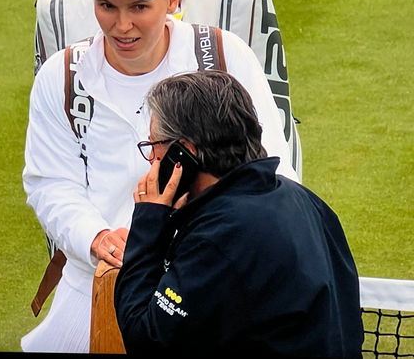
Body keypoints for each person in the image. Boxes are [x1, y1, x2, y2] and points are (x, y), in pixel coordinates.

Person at [22, 0, 299, 353]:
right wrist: (95, 237)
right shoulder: (59, 77)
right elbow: (50, 183)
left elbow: (274, 168)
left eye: (139, 7)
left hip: (208, 273)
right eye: (106, 6)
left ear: (173, 1)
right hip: (99, 283)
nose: (122, 24)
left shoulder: (226, 57)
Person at [114, 70, 364, 357]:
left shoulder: (218, 236)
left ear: (183, 153)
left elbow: (145, 338)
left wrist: (149, 223)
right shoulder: (306, 201)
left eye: (154, 145)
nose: (152, 160)